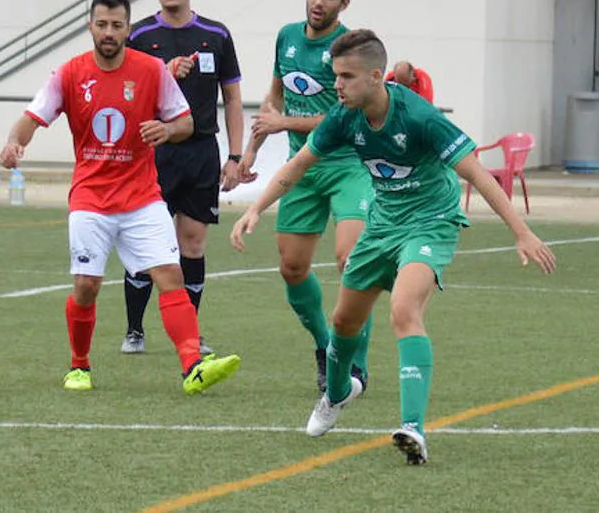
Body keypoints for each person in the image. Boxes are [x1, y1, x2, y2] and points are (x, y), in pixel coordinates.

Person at [230, 28, 556, 465]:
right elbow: (299, 163)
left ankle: (413, 429)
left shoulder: (419, 117)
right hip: (383, 224)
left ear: (376, 77)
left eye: (345, 77)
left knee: (404, 309)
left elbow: (475, 173)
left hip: (430, 222)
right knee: (343, 322)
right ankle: (338, 394)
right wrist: (257, 209)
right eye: (335, 76)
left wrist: (521, 231)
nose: (336, 86)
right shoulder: (343, 117)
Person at [0, 0, 242, 394]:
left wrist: (165, 130)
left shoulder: (151, 70)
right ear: (89, 26)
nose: (109, 32)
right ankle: (79, 365)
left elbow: (184, 122)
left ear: (129, 29)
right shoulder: (69, 73)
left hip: (143, 196)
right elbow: (32, 118)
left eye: (117, 25)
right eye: (102, 24)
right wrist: (14, 144)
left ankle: (192, 365)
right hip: (91, 199)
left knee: (170, 274)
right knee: (87, 285)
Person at [237, 0, 374, 393]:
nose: (319, 1)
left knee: (351, 262)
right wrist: (250, 151)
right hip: (302, 170)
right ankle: (326, 346)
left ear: (344, 1)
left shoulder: (350, 47)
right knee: (292, 268)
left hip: (348, 167)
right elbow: (275, 98)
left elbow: (346, 114)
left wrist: (285, 126)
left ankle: (356, 365)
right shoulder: (287, 36)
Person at [120, 0, 245, 357]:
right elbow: (124, 96)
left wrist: (235, 155)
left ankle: (189, 334)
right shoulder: (137, 37)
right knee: (145, 244)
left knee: (192, 244)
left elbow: (232, 97)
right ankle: (134, 329)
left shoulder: (217, 35)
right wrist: (161, 74)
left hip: (201, 153)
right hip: (152, 153)